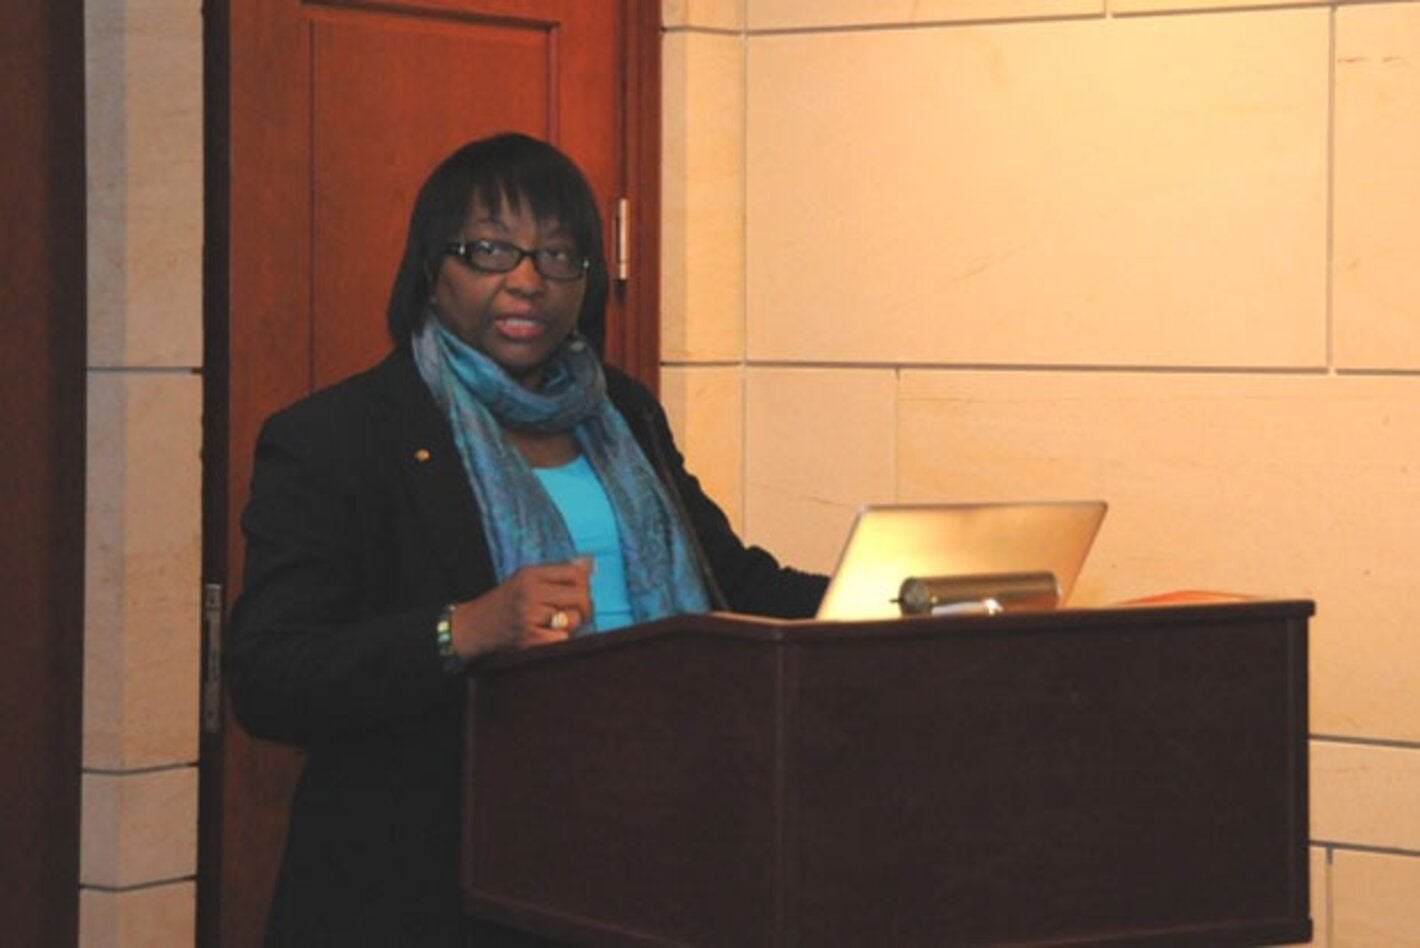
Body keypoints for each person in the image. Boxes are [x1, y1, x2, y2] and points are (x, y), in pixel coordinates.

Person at [228, 132, 827, 947]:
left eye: (558, 255)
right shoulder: (340, 436)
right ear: (432, 270)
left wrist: (896, 591)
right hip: (430, 883)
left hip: (641, 851)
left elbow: (733, 584)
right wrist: (463, 629)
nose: (527, 279)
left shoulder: (622, 413)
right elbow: (269, 674)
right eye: (489, 249)